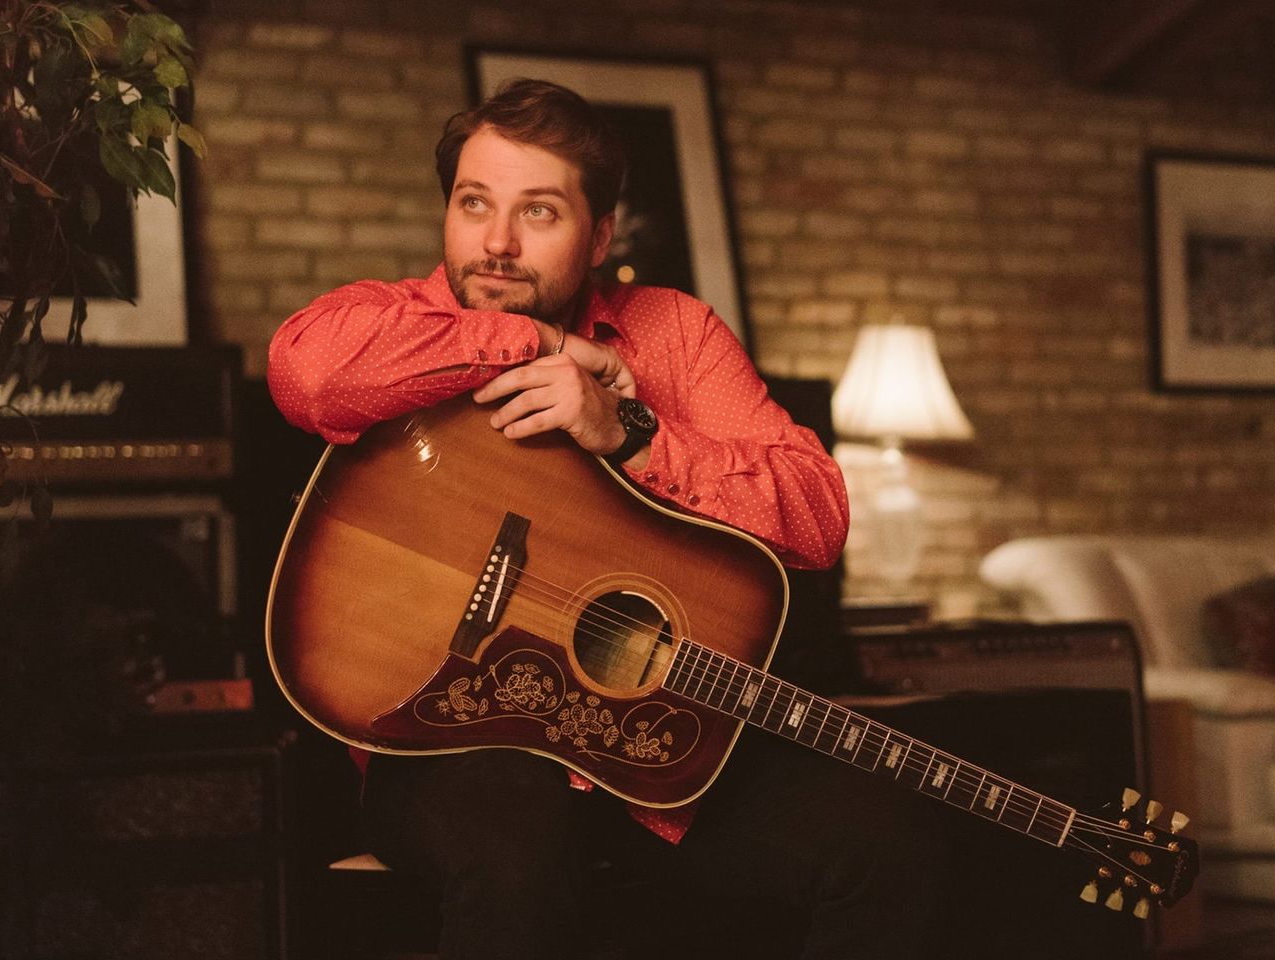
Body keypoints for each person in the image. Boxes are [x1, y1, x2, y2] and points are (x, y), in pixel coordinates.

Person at [268, 78, 953, 959]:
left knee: (888, 841)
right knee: (520, 854)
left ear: (599, 236)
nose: (497, 242)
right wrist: (540, 343)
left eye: (539, 211)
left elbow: (816, 515)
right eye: (474, 203)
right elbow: (309, 377)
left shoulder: (674, 333)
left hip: (653, 754)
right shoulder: (400, 322)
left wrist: (631, 432)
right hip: (446, 742)